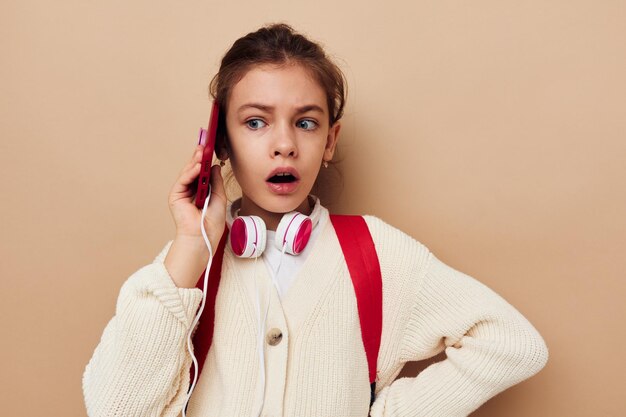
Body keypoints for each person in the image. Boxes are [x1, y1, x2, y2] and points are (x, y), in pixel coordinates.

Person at [82, 23, 548, 417]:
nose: (284, 144)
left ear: (329, 141)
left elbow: (514, 345)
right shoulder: (188, 267)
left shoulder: (377, 253)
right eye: (255, 122)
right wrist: (190, 244)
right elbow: (115, 408)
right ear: (219, 145)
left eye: (305, 123)